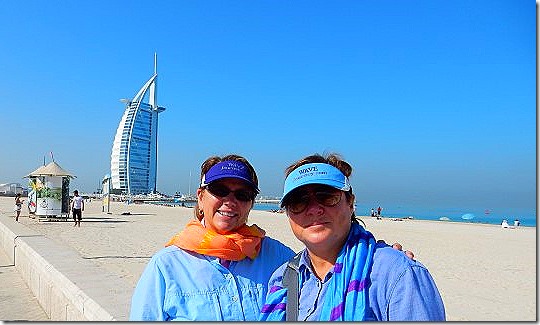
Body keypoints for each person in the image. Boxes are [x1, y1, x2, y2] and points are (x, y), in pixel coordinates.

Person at [260, 153, 445, 321]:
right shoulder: (283, 278)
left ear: (350, 203)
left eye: (326, 196)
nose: (314, 209)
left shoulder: (396, 275)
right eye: (298, 202)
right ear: (288, 213)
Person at [129, 155, 296, 321]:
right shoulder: (166, 266)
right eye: (219, 190)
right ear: (201, 198)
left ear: (251, 204)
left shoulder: (279, 258)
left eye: (243, 194)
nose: (230, 201)